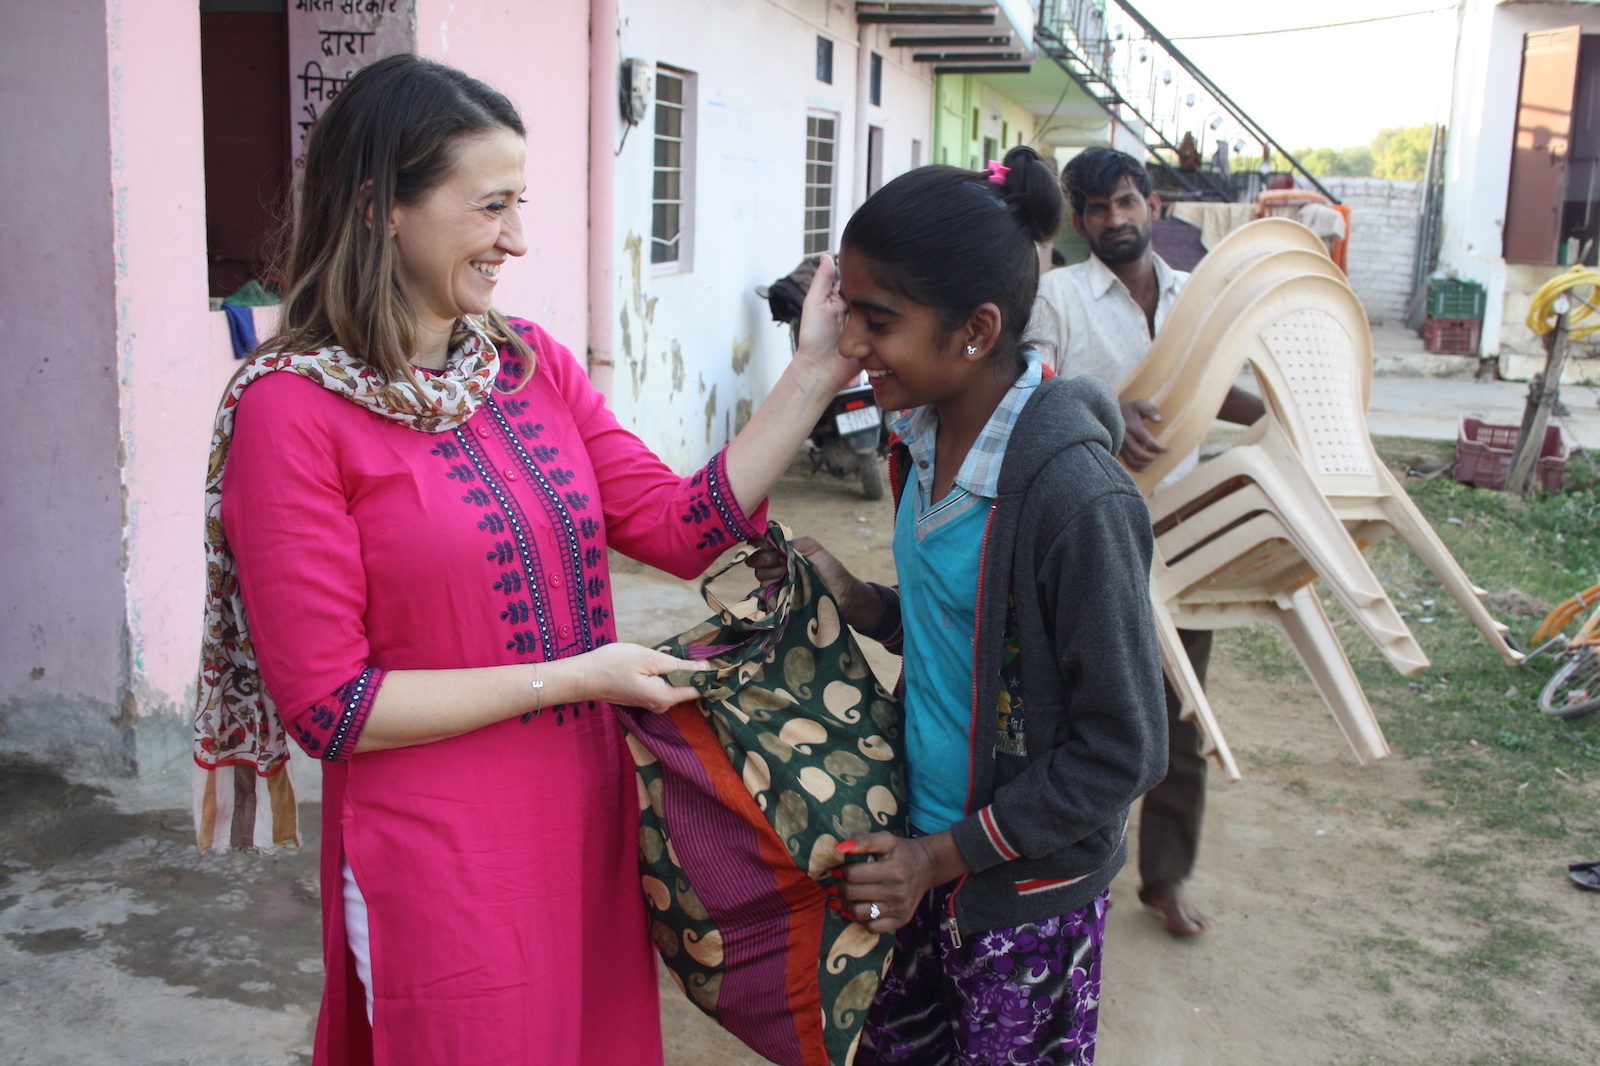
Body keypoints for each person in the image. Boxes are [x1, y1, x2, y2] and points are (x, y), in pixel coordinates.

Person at [190, 54, 857, 1065]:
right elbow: (331, 707)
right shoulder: (290, 409)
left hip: (582, 816)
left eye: (522, 202)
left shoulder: (524, 361)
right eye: (490, 205)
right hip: (441, 849)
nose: (518, 237)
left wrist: (813, 372)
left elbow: (678, 526)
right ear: (381, 209)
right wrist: (580, 674)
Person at [751, 146, 1168, 1065]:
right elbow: (979, 635)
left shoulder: (1077, 501)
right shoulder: (922, 439)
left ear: (975, 332)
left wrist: (943, 859)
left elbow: (1124, 747)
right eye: (847, 312)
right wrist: (866, 604)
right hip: (921, 846)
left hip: (1020, 892)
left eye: (878, 321)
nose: (852, 345)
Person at [1023, 146, 1267, 937]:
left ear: (1153, 206)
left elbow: (1216, 386)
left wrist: (1275, 412)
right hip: (1084, 530)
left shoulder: (1199, 297)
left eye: (1125, 202)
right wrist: (1103, 407)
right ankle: (1052, 867)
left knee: (1178, 712)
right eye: (1095, 209)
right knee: (1066, 709)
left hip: (1181, 532)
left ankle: (1164, 878)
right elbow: (1023, 381)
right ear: (1078, 218)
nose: (1113, 220)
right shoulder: (1058, 295)